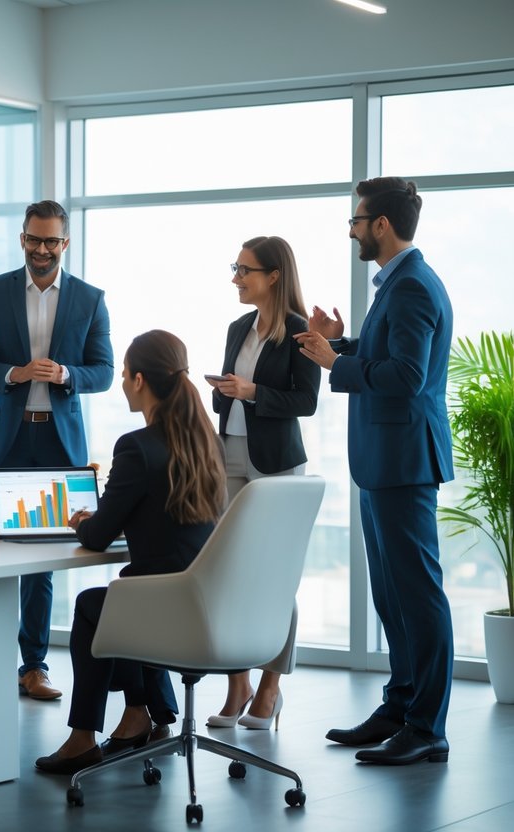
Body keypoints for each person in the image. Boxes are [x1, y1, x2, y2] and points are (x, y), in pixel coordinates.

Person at [294, 177, 453, 766]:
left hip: (404, 463)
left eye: (358, 221)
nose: (354, 230)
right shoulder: (400, 284)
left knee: (417, 596)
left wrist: (338, 362)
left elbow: (407, 377)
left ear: (382, 225)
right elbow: (388, 353)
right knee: (391, 596)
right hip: (383, 463)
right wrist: (343, 342)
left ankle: (427, 727)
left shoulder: (411, 287)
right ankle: (400, 707)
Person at [35, 330, 224, 775]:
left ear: (139, 380)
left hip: (166, 606)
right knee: (121, 592)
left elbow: (98, 537)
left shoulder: (136, 447)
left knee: (92, 606)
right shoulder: (205, 441)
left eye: (122, 375)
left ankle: (83, 737)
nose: (121, 383)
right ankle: (144, 712)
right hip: (206, 601)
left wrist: (83, 521)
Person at [0, 199, 113, 700]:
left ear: (65, 243)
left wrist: (66, 373)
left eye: (51, 241)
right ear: (21, 238)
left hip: (59, 442)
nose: (41, 249)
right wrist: (12, 374)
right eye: (33, 239)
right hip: (10, 435)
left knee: (43, 559)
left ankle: (33, 665)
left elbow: (105, 371)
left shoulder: (89, 299)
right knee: (0, 551)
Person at [204, 236, 320, 730]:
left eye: (244, 269)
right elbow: (234, 393)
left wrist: (252, 392)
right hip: (228, 452)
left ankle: (271, 684)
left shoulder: (301, 332)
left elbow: (306, 401)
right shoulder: (237, 328)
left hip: (275, 463)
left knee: (275, 577)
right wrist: (227, 393)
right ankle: (238, 684)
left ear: (273, 275)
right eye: (235, 268)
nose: (236, 278)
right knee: (229, 572)